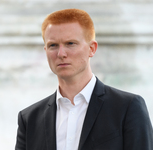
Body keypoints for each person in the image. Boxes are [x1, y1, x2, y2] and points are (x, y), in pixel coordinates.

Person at [15, 8, 153, 150]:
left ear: (92, 48)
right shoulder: (29, 119)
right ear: (46, 51)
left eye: (70, 43)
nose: (61, 53)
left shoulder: (128, 107)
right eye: (53, 45)